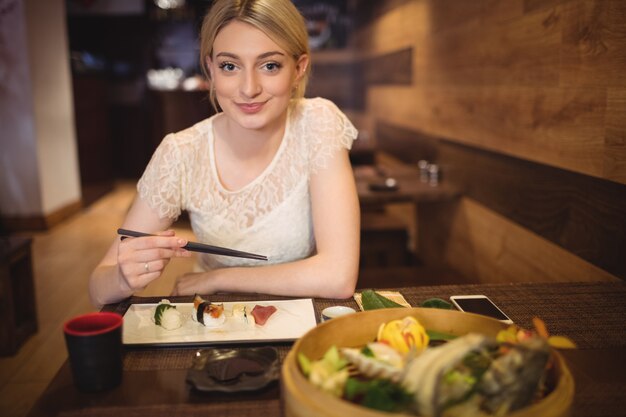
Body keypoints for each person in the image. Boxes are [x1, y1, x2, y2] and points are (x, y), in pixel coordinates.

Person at [89, 0, 360, 306]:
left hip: (300, 322)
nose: (248, 88)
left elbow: (338, 276)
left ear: (298, 69)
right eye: (229, 66)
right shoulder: (181, 152)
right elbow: (99, 286)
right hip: (216, 324)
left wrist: (218, 278)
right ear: (211, 69)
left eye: (270, 65)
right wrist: (123, 277)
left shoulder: (317, 122)